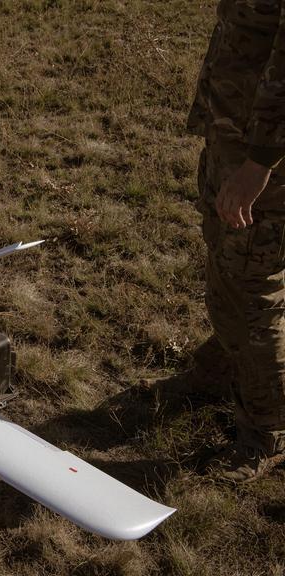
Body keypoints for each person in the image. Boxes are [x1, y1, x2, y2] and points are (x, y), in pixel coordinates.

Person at [188, 0, 285, 482]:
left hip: (262, 160)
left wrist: (259, 164)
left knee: (254, 290)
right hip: (233, 134)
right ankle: (220, 369)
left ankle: (266, 433)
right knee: (225, 262)